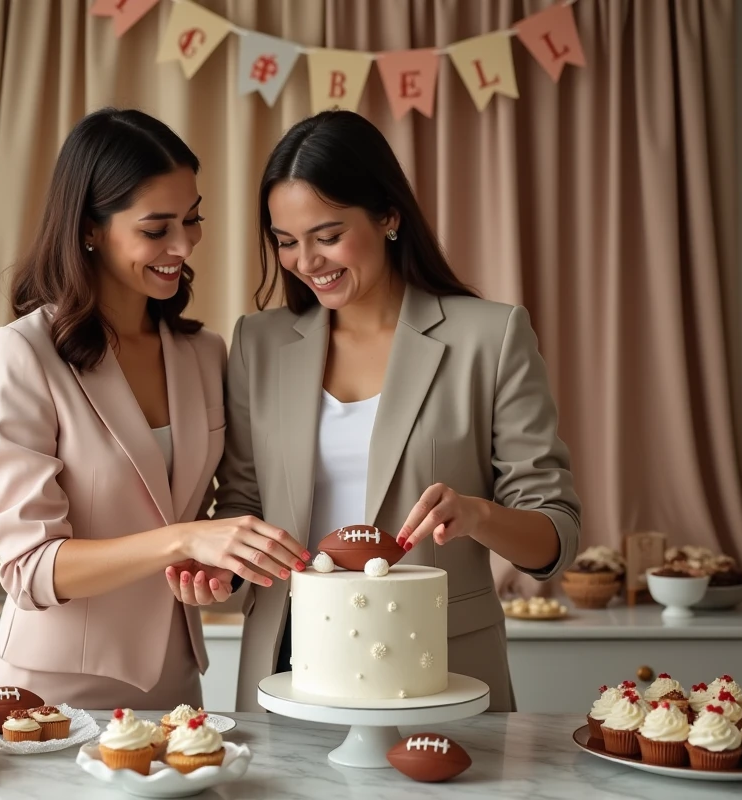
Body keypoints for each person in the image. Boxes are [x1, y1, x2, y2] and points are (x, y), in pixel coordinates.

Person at [167, 110, 581, 711]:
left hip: (439, 668)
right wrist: (222, 574)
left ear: (388, 215)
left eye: (327, 235)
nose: (306, 262)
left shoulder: (489, 337)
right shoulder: (260, 343)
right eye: (286, 242)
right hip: (287, 660)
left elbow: (556, 535)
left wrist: (476, 515)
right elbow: (245, 503)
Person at [0, 108, 307, 709]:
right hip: (52, 693)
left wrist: (214, 570)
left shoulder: (204, 352)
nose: (183, 245)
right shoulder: (22, 354)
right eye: (157, 229)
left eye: (192, 219)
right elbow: (29, 569)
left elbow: (209, 512)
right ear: (88, 229)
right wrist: (183, 540)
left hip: (175, 683)